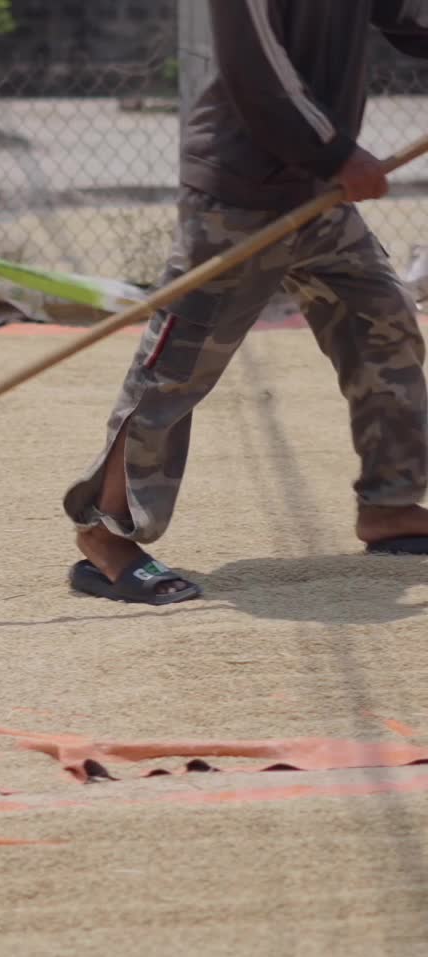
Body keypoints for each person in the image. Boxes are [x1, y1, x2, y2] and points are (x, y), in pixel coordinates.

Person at [64, 0, 428, 605]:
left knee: (382, 326)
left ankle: (389, 505)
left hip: (319, 195)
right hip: (239, 197)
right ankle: (106, 541)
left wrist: (330, 162)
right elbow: (257, 69)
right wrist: (338, 153)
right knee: (176, 370)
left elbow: (409, 17)